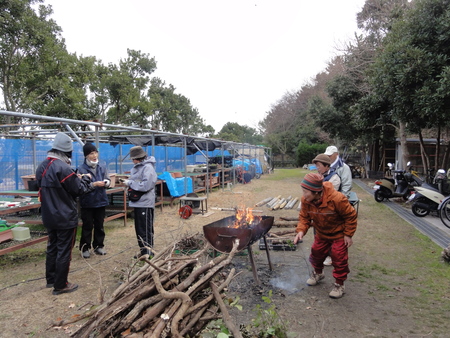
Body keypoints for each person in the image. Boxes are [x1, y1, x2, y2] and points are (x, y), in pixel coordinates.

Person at [36, 132, 94, 295]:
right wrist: (85, 179)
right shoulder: (63, 167)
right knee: (64, 249)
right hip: (64, 216)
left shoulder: (42, 166)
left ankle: (51, 279)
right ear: (67, 151)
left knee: (52, 247)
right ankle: (61, 285)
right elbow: (79, 190)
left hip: (49, 215)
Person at [293, 173, 357, 299]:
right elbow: (304, 217)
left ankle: (339, 284)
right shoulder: (306, 200)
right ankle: (318, 273)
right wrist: (300, 231)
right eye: (303, 191)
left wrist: (348, 234)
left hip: (338, 234)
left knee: (339, 258)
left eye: (306, 192)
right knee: (316, 253)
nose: (304, 195)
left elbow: (351, 216)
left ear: (316, 192)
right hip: (321, 233)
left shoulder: (337, 199)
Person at [122, 146, 157, 258]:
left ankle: (147, 252)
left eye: (133, 159)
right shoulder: (140, 167)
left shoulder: (148, 168)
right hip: (139, 202)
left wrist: (130, 183)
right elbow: (139, 180)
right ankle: (143, 251)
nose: (133, 161)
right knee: (140, 228)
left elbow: (146, 185)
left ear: (138, 158)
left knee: (145, 228)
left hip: (145, 203)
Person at [78, 143, 111, 258]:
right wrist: (94, 184)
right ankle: (85, 248)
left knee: (99, 225)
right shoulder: (81, 169)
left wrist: (107, 183)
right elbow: (81, 187)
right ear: (86, 155)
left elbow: (107, 178)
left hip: (101, 200)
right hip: (87, 202)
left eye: (96, 152)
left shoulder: (102, 167)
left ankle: (99, 246)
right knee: (87, 226)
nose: (94, 155)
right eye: (91, 153)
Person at [312, 153, 341, 266]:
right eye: (316, 165)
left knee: (329, 234)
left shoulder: (334, 177)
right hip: (318, 210)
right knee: (318, 233)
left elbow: (329, 195)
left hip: (331, 211)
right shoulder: (318, 175)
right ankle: (321, 254)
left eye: (319, 165)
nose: (317, 168)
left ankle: (330, 256)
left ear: (326, 166)